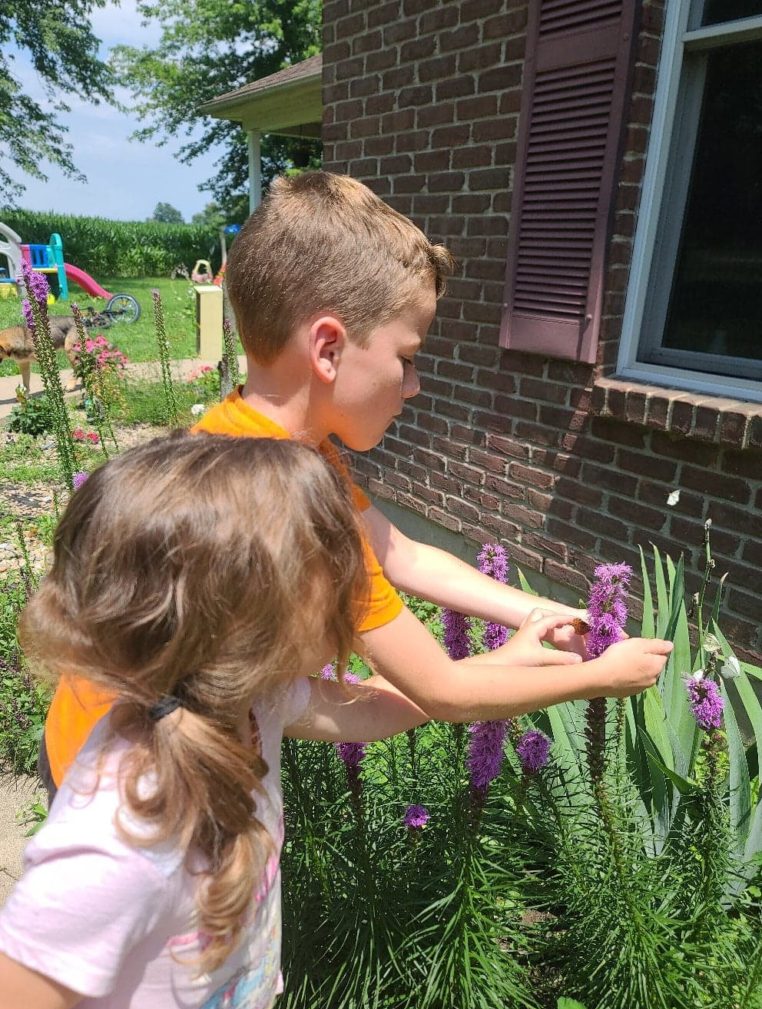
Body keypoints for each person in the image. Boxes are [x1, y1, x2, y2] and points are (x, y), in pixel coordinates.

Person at [40, 171, 673, 796]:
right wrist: (602, 675)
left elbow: (402, 554)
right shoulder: (285, 502)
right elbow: (443, 690)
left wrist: (545, 612)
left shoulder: (261, 442)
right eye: (407, 357)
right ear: (328, 349)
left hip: (110, 743)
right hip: (120, 795)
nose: (416, 384)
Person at [0, 434, 430, 1009]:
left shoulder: (251, 704)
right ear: (246, 611)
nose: (357, 579)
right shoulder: (124, 833)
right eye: (330, 560)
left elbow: (374, 707)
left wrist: (504, 671)